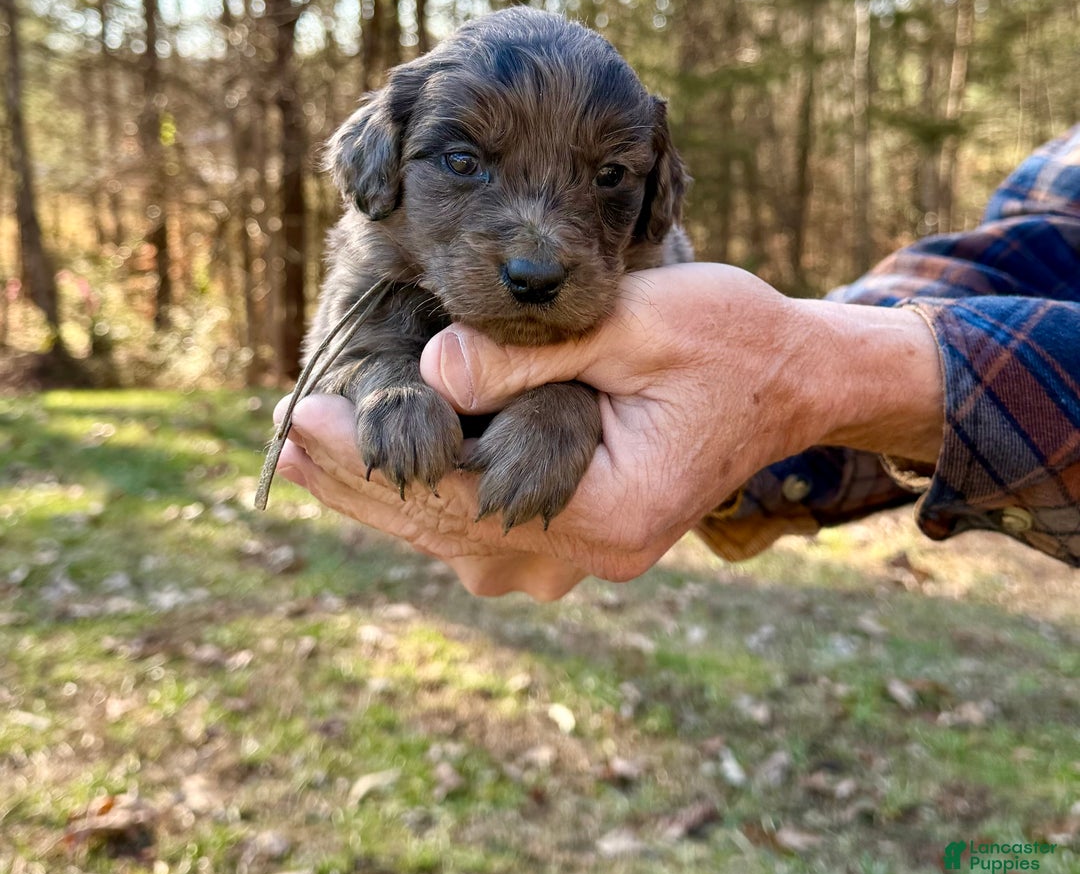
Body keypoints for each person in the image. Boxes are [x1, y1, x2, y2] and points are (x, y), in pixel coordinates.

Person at [275, 127, 1080, 600]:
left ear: (654, 195)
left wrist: (817, 376)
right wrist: (790, 379)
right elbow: (1027, 262)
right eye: (463, 163)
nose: (535, 247)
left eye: (608, 179)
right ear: (382, 169)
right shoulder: (377, 246)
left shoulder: (637, 257)